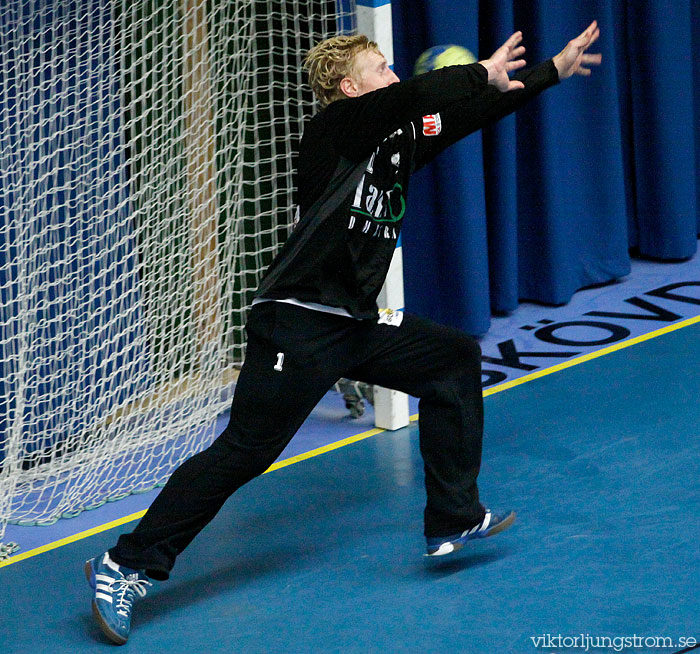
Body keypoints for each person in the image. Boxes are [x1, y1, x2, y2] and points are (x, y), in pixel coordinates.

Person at [85, 22, 601, 644]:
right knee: (246, 450)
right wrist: (474, 73)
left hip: (351, 321)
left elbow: (467, 113)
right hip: (298, 320)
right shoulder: (334, 129)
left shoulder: (395, 141)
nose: (393, 75)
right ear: (347, 86)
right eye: (380, 67)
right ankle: (124, 566)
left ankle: (452, 518)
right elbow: (415, 96)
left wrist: (550, 70)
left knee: (451, 359)